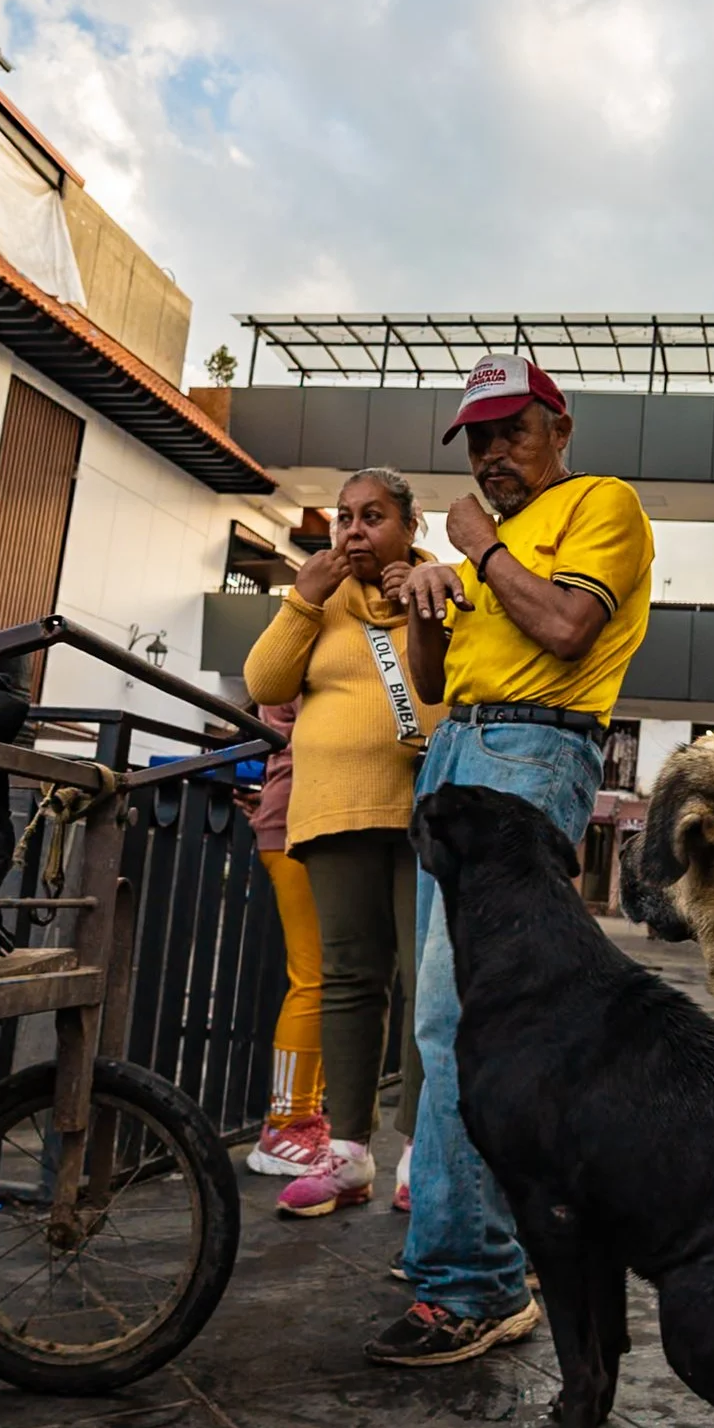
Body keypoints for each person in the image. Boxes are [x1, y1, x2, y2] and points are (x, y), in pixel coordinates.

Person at [369, 353, 654, 1367]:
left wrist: (479, 549)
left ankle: (470, 1279)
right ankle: (490, 1252)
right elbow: (442, 678)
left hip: (531, 747)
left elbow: (569, 629)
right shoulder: (500, 544)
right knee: (459, 1023)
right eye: (478, 439)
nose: (493, 454)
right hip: (464, 744)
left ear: (559, 425)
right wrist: (427, 606)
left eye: (511, 431)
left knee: (463, 1024)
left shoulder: (599, 505)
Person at [243, 468, 441, 1217]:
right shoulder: (317, 604)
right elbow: (265, 678)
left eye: (374, 516)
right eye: (344, 518)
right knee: (350, 980)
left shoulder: (439, 587)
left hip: (422, 812)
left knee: (428, 986)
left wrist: (427, 594)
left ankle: (421, 1155)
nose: (355, 530)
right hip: (332, 812)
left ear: (409, 526)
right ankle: (350, 1153)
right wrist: (302, 595)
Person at [244, 700, 331, 1178]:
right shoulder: (314, 634)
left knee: (326, 980)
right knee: (315, 979)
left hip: (300, 816)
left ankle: (301, 1117)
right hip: (302, 821)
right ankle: (286, 1123)